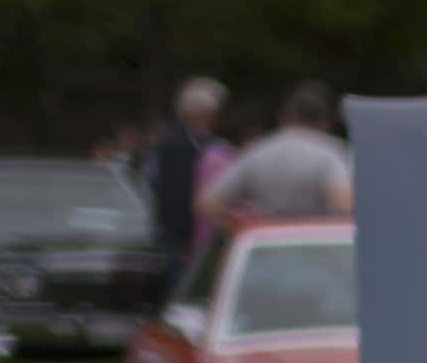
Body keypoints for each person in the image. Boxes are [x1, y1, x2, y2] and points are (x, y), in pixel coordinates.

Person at [201, 82, 352, 230]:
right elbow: (342, 204)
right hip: (317, 243)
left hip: (266, 243)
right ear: (327, 122)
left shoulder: (258, 151)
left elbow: (207, 203)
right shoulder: (332, 152)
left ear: (283, 116)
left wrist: (241, 225)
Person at [145, 79, 228, 267]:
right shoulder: (178, 146)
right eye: (213, 113)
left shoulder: (190, 141)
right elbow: (176, 194)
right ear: (199, 114)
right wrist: (183, 237)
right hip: (181, 237)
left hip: (184, 234)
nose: (216, 119)